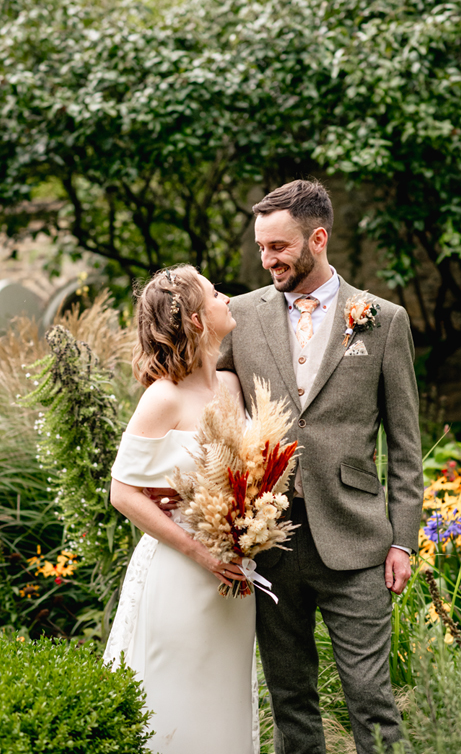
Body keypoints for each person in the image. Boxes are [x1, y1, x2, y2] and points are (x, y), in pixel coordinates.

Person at [217, 179, 423, 754]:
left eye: (279, 247)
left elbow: (406, 444)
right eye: (261, 248)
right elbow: (210, 398)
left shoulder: (383, 320)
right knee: (291, 700)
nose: (268, 260)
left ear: (318, 238)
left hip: (357, 540)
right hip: (270, 538)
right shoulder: (240, 315)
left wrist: (402, 540)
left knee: (371, 699)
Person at [104, 265, 257, 753]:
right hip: (182, 572)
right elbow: (123, 492)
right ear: (195, 319)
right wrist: (203, 555)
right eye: (215, 294)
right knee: (175, 706)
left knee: (225, 705)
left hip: (236, 574)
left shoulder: (233, 386)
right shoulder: (162, 398)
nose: (227, 297)